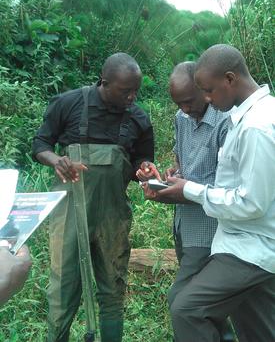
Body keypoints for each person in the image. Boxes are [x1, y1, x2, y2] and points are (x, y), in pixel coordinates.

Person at [144, 44, 275, 342]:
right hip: (245, 241)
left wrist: (190, 190)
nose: (206, 99)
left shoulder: (256, 126)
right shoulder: (248, 116)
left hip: (253, 248)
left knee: (187, 309)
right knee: (258, 329)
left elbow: (251, 203)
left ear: (229, 79)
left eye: (208, 91)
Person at [32, 52, 154, 342]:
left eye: (136, 90)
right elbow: (40, 143)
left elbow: (142, 160)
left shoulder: (138, 118)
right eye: (125, 91)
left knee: (113, 286)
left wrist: (145, 170)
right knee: (63, 287)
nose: (132, 97)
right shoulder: (68, 103)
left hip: (112, 215)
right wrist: (56, 160)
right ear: (105, 82)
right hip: (69, 211)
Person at [137, 61, 234, 341]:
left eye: (189, 101)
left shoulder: (225, 122)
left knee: (182, 302)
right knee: (207, 308)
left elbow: (229, 188)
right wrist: (171, 175)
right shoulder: (182, 118)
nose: (184, 109)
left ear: (204, 90)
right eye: (178, 103)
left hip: (211, 230)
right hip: (184, 225)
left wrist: (184, 190)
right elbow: (182, 162)